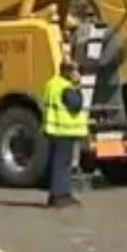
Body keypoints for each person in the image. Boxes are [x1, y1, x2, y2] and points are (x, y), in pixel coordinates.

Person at [41, 60, 89, 208]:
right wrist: (78, 87)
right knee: (63, 164)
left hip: (54, 130)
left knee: (58, 163)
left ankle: (59, 194)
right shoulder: (66, 87)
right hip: (63, 130)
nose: (77, 74)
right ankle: (60, 196)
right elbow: (76, 104)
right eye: (75, 71)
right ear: (68, 73)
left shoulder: (52, 83)